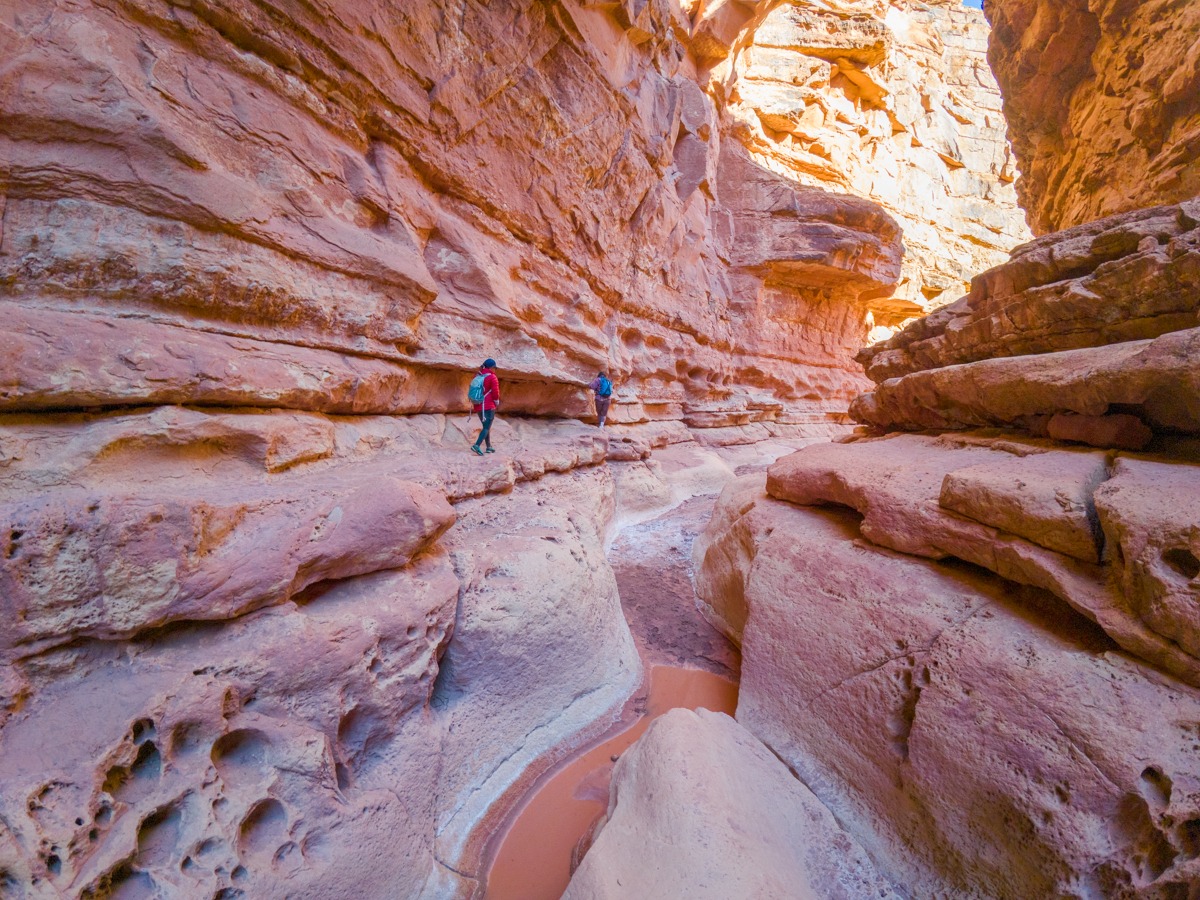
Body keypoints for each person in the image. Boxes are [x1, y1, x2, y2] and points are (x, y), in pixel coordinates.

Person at [471, 359, 500, 455]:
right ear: (491, 367)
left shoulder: (477, 375)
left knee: (485, 427)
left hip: (478, 405)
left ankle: (488, 447)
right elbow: (495, 393)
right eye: (494, 368)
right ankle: (476, 446)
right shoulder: (492, 377)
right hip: (488, 406)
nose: (495, 370)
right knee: (487, 427)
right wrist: (496, 402)